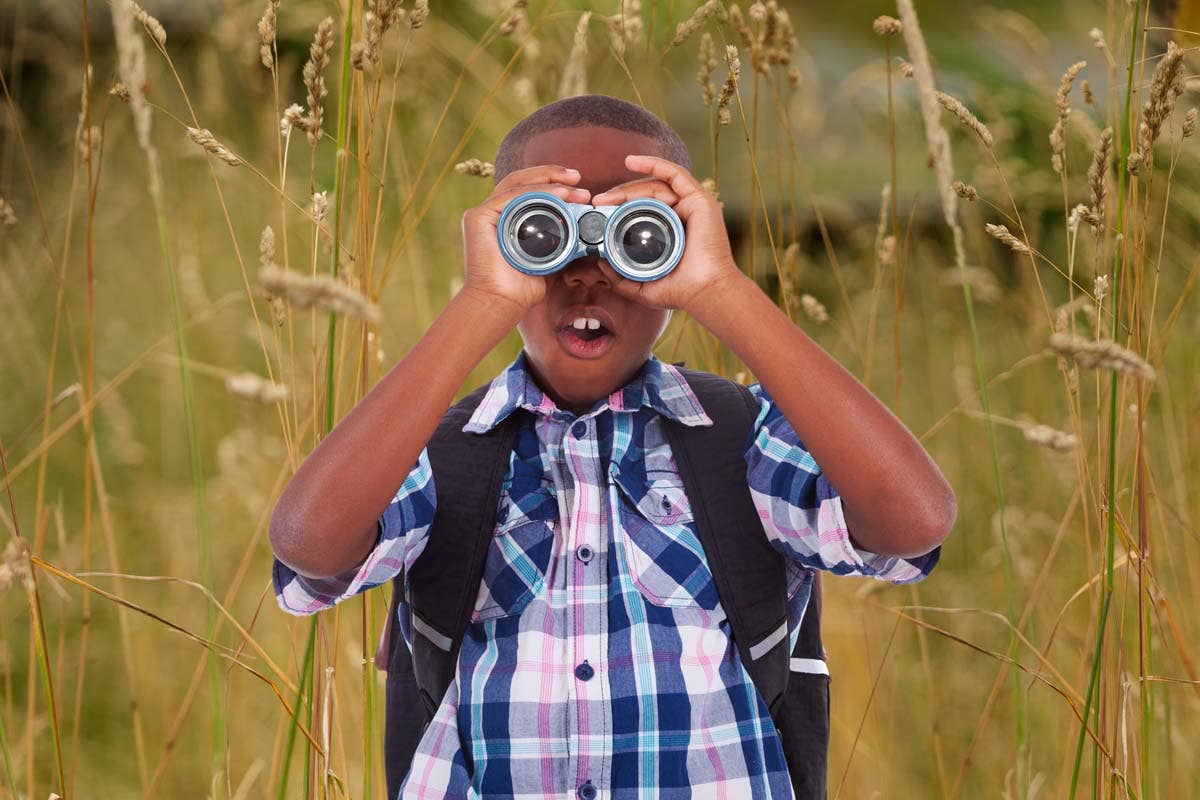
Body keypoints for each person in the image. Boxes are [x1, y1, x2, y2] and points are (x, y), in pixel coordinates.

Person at [270, 93, 956, 799]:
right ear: (496, 239)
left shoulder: (738, 441)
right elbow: (310, 542)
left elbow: (912, 518)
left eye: (638, 237)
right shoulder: (442, 454)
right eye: (544, 235)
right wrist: (484, 301)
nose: (587, 271)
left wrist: (721, 289)